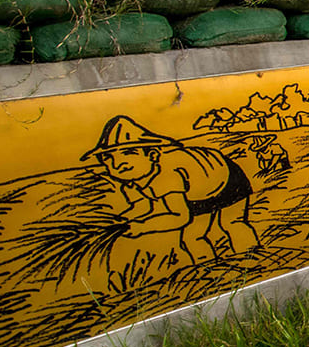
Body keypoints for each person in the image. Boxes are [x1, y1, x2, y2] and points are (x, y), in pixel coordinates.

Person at [86, 115, 259, 273]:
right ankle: (212, 272)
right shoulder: (134, 180)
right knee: (193, 237)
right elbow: (142, 206)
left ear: (152, 155)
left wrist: (142, 227)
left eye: (129, 153)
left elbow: (180, 217)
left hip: (226, 178)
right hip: (196, 192)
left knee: (233, 223)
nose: (118, 163)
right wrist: (119, 223)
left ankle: (252, 262)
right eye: (108, 157)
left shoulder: (167, 174)